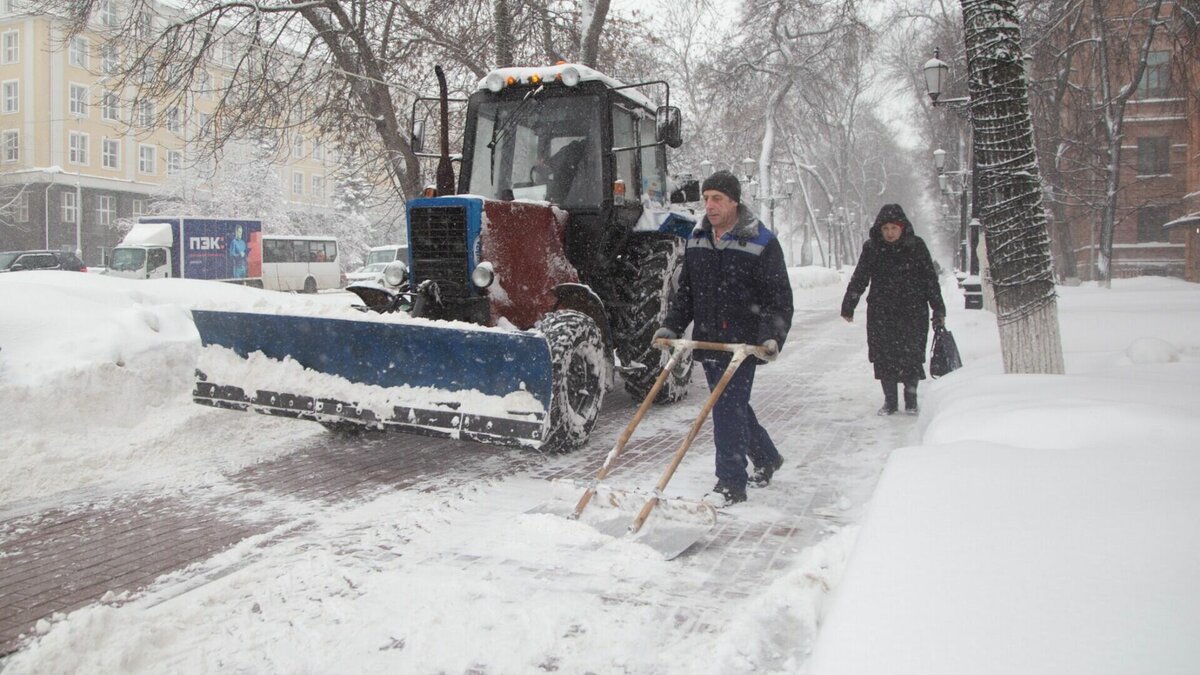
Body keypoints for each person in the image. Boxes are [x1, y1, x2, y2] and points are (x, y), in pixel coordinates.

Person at [654, 170, 794, 505]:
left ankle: (730, 482)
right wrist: (672, 325)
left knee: (726, 408)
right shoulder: (698, 237)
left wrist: (770, 337)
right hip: (709, 338)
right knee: (728, 403)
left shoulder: (761, 241)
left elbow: (777, 297)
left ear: (734, 201)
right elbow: (686, 291)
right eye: (706, 198)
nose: (709, 205)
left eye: (717, 198)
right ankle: (766, 456)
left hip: (743, 343)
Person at [840, 203, 946, 415]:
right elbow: (860, 277)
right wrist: (849, 305)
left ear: (902, 228)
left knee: (911, 356)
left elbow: (929, 281)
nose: (889, 233)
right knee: (883, 356)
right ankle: (890, 401)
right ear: (880, 229)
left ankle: (911, 400)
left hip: (913, 312)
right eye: (886, 228)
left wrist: (938, 310)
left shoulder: (916, 246)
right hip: (882, 313)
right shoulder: (872, 248)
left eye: (894, 228)